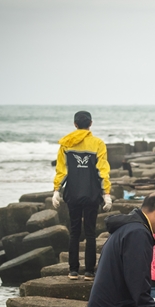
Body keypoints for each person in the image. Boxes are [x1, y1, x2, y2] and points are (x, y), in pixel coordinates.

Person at [52, 110, 113, 281]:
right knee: (90, 232)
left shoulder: (66, 143)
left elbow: (62, 171)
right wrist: (106, 193)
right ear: (91, 124)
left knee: (74, 231)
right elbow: (103, 171)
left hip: (72, 193)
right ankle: (89, 272)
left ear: (75, 124)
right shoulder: (98, 143)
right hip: (92, 194)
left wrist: (56, 190)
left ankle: (72, 271)